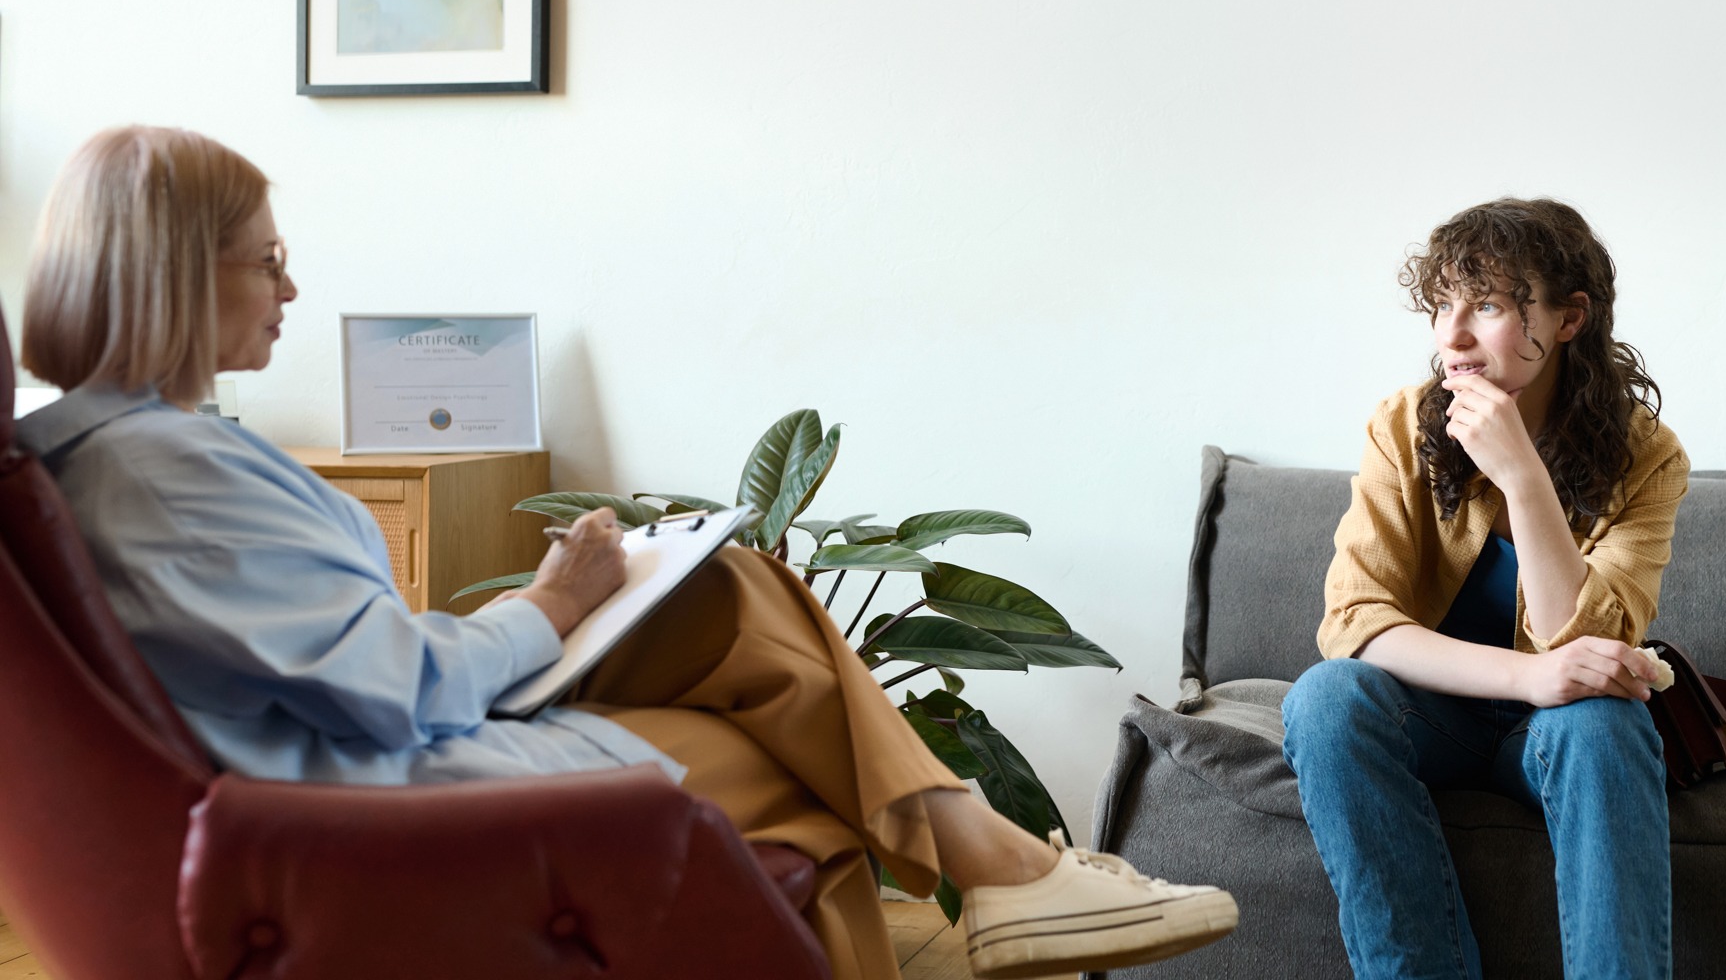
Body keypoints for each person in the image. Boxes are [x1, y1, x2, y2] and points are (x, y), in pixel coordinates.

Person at [15, 125, 1239, 980]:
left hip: (350, 768)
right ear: (177, 271)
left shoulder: (134, 454)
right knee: (809, 781)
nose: (292, 282)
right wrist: (552, 604)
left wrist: (572, 604)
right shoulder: (164, 474)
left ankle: (1001, 867)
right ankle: (1003, 867)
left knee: (734, 585)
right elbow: (391, 684)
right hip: (376, 810)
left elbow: (338, 657)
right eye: (266, 258)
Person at [1280, 197, 1688, 980]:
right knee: (1326, 698)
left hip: (1556, 738)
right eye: (1441, 305)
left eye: (1490, 305)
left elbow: (1589, 642)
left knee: (1605, 725)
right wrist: (1530, 677)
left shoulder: (1647, 455)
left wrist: (1521, 474)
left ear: (1569, 319)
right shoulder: (1401, 426)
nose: (1452, 336)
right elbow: (1356, 621)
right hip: (1428, 718)